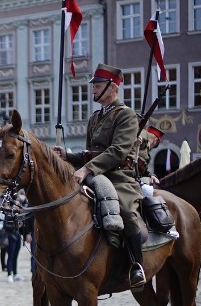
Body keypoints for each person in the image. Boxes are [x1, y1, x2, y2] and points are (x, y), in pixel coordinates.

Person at [53, 63, 145, 290]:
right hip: (93, 175)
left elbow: (117, 151)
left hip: (119, 176)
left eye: (98, 85)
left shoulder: (126, 115)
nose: (93, 90)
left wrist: (87, 169)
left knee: (125, 210)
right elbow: (88, 153)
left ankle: (136, 265)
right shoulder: (95, 118)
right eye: (93, 86)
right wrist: (68, 156)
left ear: (112, 88)